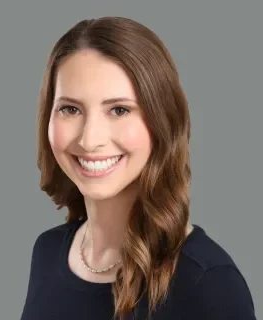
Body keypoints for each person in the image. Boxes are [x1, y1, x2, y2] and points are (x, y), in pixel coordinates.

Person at [20, 16, 257, 320]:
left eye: (119, 110)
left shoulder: (208, 283)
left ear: (162, 122)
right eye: (70, 109)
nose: (90, 140)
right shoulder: (48, 251)